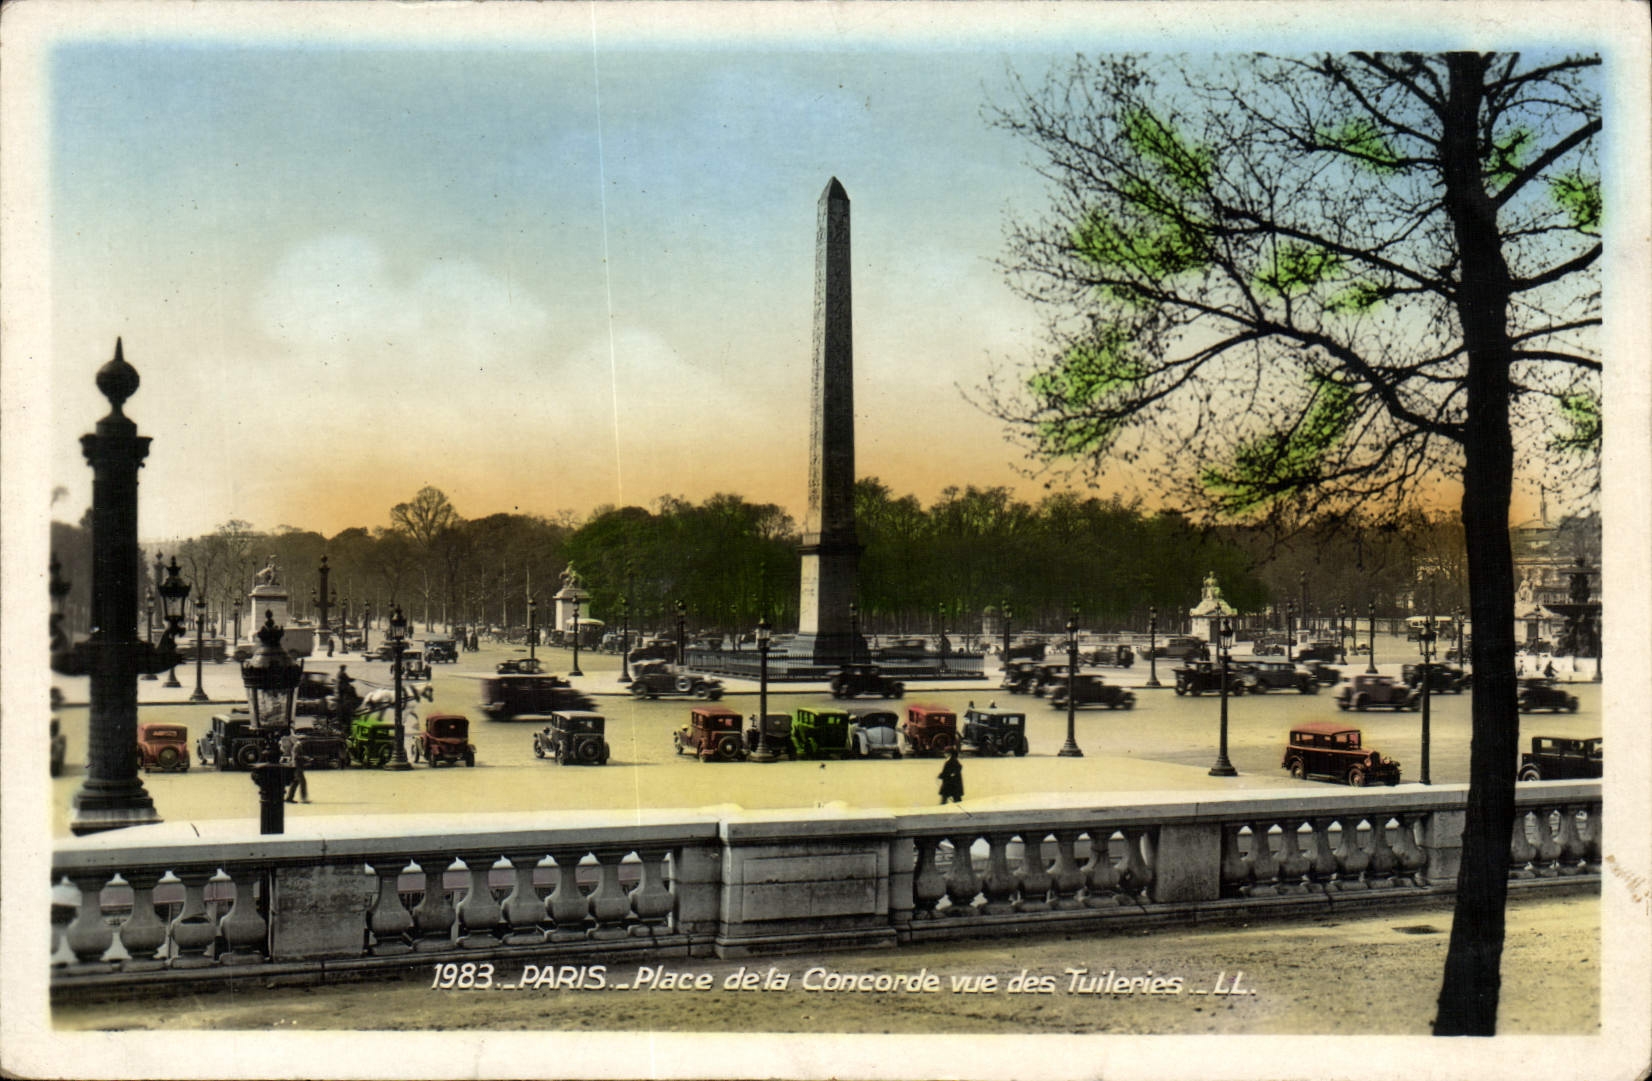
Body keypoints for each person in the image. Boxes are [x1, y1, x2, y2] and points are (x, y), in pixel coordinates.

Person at [279, 732, 308, 803]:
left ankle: (289, 797)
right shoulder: (297, 746)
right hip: (297, 766)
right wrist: (305, 758)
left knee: (295, 781)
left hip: (296, 765)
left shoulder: (297, 745)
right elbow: (296, 757)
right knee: (302, 782)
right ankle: (303, 798)